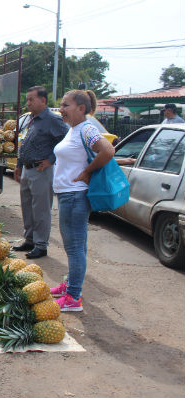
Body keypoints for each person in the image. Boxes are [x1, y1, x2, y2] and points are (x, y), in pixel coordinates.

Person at [50, 89, 116, 312]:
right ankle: (70, 285)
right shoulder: (74, 129)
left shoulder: (86, 129)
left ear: (81, 108)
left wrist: (87, 171)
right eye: (61, 105)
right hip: (68, 194)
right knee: (74, 247)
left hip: (75, 195)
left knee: (75, 247)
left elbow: (107, 150)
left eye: (66, 105)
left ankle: (73, 297)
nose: (61, 109)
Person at [13, 86, 68, 259]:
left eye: (31, 99)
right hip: (27, 169)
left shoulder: (53, 120)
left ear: (43, 101)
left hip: (41, 170)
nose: (28, 103)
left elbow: (66, 141)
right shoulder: (31, 119)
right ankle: (29, 240)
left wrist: (51, 160)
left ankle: (41, 245)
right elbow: (25, 142)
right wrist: (19, 165)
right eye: (27, 99)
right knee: (27, 207)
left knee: (41, 209)